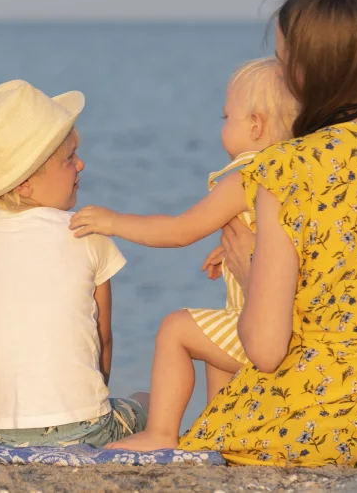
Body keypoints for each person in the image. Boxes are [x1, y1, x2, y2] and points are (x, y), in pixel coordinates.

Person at [178, 0, 357, 468]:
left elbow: (265, 350)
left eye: (282, 61)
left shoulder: (287, 169)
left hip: (307, 426)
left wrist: (249, 272)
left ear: (303, 72)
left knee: (190, 446)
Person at [67, 57, 297, 450]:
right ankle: (218, 431)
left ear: (255, 125)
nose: (223, 126)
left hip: (266, 331)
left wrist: (115, 222)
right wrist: (235, 249)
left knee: (176, 329)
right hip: (293, 326)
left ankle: (160, 433)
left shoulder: (247, 177)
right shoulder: (295, 173)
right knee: (212, 339)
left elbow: (178, 231)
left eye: (227, 117)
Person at [0, 80, 148, 448]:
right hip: (83, 427)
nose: (81, 164)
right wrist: (87, 410)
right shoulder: (85, 231)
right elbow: (102, 338)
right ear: (24, 184)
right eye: (70, 158)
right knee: (147, 402)